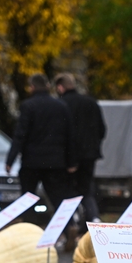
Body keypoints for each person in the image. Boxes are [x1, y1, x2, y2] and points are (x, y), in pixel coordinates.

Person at [6, 74, 75, 217]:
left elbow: (20, 135)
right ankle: (68, 227)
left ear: (32, 87)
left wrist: (10, 160)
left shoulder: (28, 106)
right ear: (48, 86)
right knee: (58, 199)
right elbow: (69, 135)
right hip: (55, 162)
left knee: (27, 199)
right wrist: (71, 161)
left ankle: (29, 230)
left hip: (32, 161)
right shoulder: (61, 106)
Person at [54, 73, 107, 226]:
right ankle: (93, 217)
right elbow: (102, 129)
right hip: (90, 155)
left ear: (60, 87)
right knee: (86, 188)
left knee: (68, 190)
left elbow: (61, 132)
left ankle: (72, 221)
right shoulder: (91, 103)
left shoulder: (61, 104)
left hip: (68, 157)